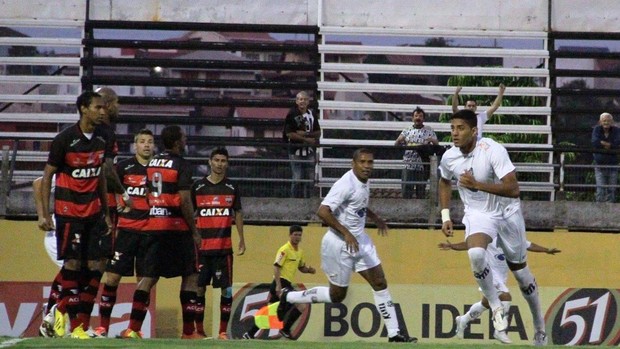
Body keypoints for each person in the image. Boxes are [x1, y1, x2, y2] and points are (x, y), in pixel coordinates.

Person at [277, 148, 417, 343]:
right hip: (338, 244)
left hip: (359, 241)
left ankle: (394, 334)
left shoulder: (363, 181)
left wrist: (375, 218)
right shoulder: (345, 184)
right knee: (337, 296)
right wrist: (347, 233)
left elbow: (358, 203)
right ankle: (290, 297)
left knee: (379, 282)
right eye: (363, 162)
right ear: (354, 164)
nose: (367, 166)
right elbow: (323, 211)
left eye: (370, 162)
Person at [439, 109, 548, 345]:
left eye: (461, 128)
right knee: (476, 254)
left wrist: (477, 185)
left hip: (508, 212)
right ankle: (497, 307)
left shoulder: (493, 149)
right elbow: (444, 180)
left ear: (474, 131)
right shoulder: (449, 157)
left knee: (520, 273)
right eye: (452, 128)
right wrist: (445, 215)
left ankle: (539, 326)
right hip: (479, 213)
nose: (455, 133)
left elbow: (513, 188)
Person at [39, 90, 112, 339]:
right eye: (98, 107)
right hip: (69, 213)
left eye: (104, 108)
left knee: (96, 267)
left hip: (94, 214)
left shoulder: (102, 140)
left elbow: (100, 177)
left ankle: (79, 323)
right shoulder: (65, 139)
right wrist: (43, 212)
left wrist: (107, 213)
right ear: (83, 108)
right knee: (72, 265)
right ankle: (76, 326)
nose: (102, 112)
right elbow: (46, 176)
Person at [120, 125, 201, 339]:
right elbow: (184, 199)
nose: (185, 141)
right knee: (191, 275)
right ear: (176, 142)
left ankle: (132, 329)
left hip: (153, 225)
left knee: (148, 277)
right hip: (176, 228)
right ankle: (188, 333)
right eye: (183, 138)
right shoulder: (182, 165)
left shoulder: (153, 162)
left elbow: (147, 192)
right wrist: (193, 230)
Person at [438, 239, 561, 344]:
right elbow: (472, 244)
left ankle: (463, 319)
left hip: (501, 277)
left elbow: (529, 245)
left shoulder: (512, 238)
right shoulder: (491, 235)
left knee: (486, 303)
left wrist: (546, 250)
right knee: (505, 297)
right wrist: (452, 246)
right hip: (489, 273)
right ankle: (499, 330)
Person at [94, 129, 154, 337]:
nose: (146, 145)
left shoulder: (158, 169)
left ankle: (133, 330)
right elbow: (107, 187)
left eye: (150, 142)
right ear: (135, 145)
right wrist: (114, 209)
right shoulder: (123, 167)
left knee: (145, 281)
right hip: (126, 232)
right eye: (142, 141)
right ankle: (103, 327)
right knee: (112, 279)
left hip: (150, 234)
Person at [191, 146, 246, 340]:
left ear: (227, 164)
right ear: (210, 162)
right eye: (217, 160)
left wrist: (241, 238)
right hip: (202, 249)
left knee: (227, 289)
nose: (219, 164)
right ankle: (199, 331)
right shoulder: (197, 187)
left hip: (224, 249)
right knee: (199, 288)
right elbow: (190, 214)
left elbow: (237, 213)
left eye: (223, 161)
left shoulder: (232, 188)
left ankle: (223, 332)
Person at [242, 225, 316, 340]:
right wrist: (278, 285)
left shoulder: (299, 252)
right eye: (295, 235)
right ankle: (285, 329)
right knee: (301, 305)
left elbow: (301, 267)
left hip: (286, 284)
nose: (297, 237)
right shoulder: (284, 249)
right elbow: (276, 267)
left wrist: (309, 270)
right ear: (290, 235)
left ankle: (250, 334)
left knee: (271, 313)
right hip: (281, 283)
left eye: (299, 235)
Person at [394, 107, 438, 199]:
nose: (418, 118)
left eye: (420, 116)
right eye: (416, 116)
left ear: (423, 118)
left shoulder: (429, 130)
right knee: (406, 189)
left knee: (421, 190)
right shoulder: (407, 130)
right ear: (412, 118)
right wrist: (400, 140)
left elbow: (437, 145)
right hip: (408, 164)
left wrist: (431, 140)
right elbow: (396, 143)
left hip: (422, 165)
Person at [283, 91, 320, 198]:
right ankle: (294, 201)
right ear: (296, 101)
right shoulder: (292, 114)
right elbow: (289, 133)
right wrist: (307, 139)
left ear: (308, 101)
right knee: (297, 178)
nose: (302, 101)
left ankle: (308, 200)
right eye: (300, 99)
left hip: (309, 151)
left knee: (310, 179)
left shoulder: (312, 114)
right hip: (296, 150)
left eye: (304, 99)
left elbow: (318, 132)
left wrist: (306, 134)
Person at [591, 112, 620, 203]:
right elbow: (594, 142)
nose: (606, 123)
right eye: (604, 121)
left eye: (608, 121)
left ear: (612, 122)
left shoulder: (616, 130)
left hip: (613, 165)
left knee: (612, 190)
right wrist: (609, 144)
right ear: (600, 122)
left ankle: (610, 214)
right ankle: (598, 213)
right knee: (600, 190)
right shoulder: (596, 129)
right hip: (600, 165)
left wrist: (602, 143)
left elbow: (617, 143)